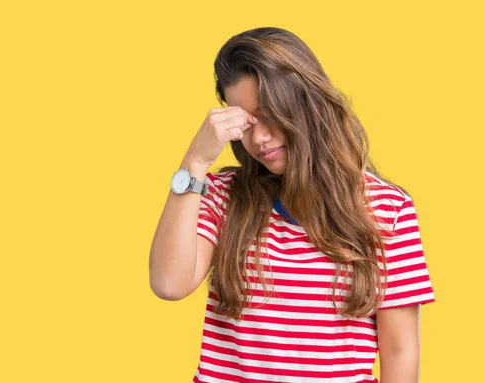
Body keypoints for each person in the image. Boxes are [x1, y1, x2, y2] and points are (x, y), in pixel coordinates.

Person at [149, 26, 435, 383]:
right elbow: (168, 284)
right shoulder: (223, 195)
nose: (259, 138)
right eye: (246, 123)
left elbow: (400, 350)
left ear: (306, 102)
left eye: (268, 114)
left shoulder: (388, 208)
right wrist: (194, 162)